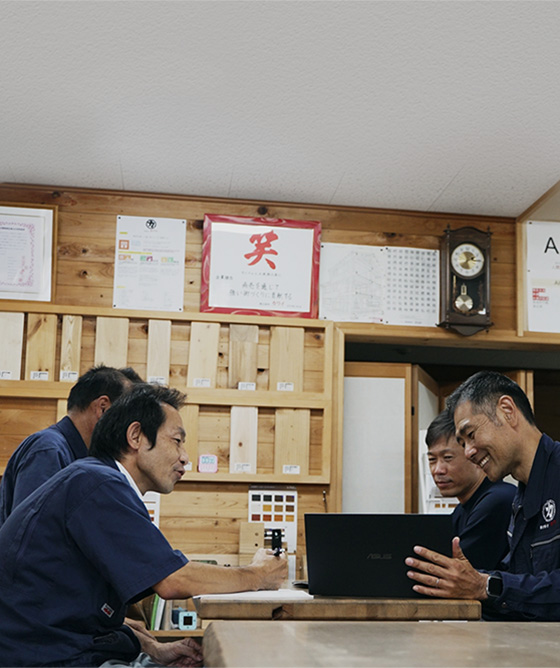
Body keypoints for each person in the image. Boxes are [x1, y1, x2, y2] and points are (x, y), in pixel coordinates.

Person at [0, 383, 287, 667]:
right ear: (135, 436)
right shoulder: (96, 483)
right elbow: (174, 580)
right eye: (177, 440)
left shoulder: (98, 481)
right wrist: (258, 574)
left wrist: (153, 649)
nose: (185, 457)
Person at [406, 371, 560, 621]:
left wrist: (487, 585)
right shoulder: (521, 497)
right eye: (462, 442)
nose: (468, 452)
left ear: (507, 411)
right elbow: (519, 586)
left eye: (471, 435)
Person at [0, 364, 136, 527]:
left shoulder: (80, 456)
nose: (130, 430)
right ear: (103, 408)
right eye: (127, 416)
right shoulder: (49, 450)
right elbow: (33, 533)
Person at [426, 409, 516, 570]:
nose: (438, 470)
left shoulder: (499, 499)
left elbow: (454, 572)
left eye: (448, 458)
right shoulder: (463, 508)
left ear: (472, 454)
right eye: (432, 460)